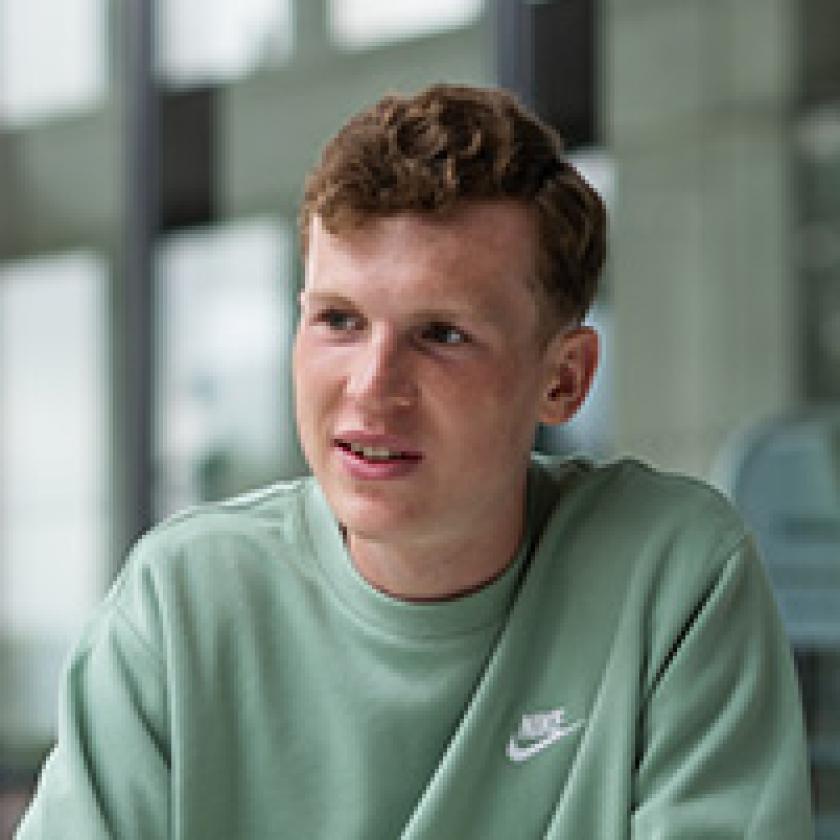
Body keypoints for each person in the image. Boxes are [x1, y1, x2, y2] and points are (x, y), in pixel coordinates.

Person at [16, 84, 813, 839]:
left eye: (443, 335)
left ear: (563, 379)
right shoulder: (178, 606)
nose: (373, 387)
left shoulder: (673, 575)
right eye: (338, 320)